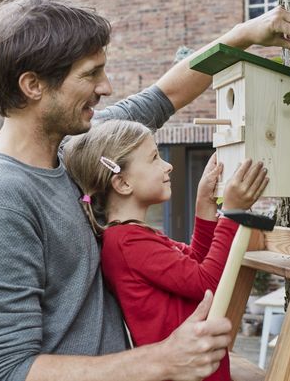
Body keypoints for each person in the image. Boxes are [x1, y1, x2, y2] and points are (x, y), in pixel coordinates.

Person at [0, 0, 290, 381]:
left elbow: (164, 96)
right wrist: (162, 360)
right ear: (33, 85)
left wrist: (244, 34)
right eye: (90, 74)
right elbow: (6, 370)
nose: (106, 87)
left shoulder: (78, 150)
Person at [63, 119, 268, 381]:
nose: (168, 165)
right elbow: (208, 282)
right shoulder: (128, 243)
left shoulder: (134, 237)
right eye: (154, 158)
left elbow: (195, 266)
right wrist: (232, 213)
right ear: (123, 183)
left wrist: (204, 206)